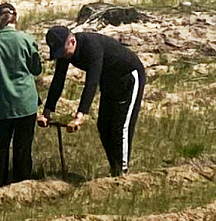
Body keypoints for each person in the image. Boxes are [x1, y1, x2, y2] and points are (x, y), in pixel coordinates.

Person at [40, 26, 146, 176]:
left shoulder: (91, 46)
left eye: (63, 52)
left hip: (129, 76)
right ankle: (114, 169)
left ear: (71, 41)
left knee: (120, 126)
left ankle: (122, 173)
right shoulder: (65, 54)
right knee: (103, 126)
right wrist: (47, 111)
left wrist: (80, 114)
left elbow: (92, 82)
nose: (62, 56)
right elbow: (58, 80)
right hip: (109, 81)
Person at [0, 3, 42, 189]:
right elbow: (36, 69)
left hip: (2, 105)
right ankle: (22, 186)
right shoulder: (27, 40)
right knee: (23, 148)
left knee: (0, 149)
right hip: (26, 103)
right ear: (16, 18)